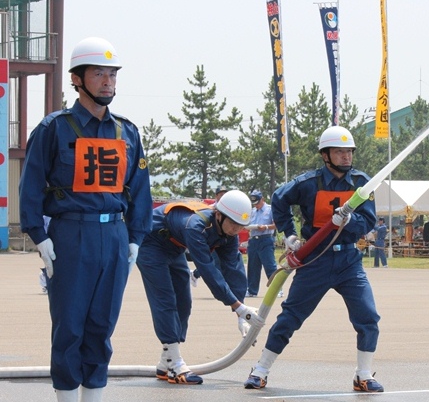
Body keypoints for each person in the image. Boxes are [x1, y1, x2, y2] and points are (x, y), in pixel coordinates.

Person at [18, 37, 153, 401]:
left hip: (114, 237)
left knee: (101, 326)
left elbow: (140, 189)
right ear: (77, 79)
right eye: (99, 74)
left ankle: (93, 396)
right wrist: (38, 235)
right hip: (70, 236)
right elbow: (30, 185)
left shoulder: (127, 132)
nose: (108, 81)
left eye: (112, 74)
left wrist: (136, 237)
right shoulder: (54, 129)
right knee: (70, 326)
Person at [243, 125, 384, 393]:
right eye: (339, 151)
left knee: (368, 317)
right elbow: (279, 199)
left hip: (349, 262)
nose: (346, 156)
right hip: (315, 260)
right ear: (325, 155)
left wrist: (349, 219)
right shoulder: (307, 183)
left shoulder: (362, 183)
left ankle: (363, 375)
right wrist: (289, 236)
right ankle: (260, 370)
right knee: (291, 316)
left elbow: (367, 221)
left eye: (349, 151)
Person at [136, 190, 264, 385]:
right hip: (151, 243)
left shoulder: (230, 234)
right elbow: (208, 271)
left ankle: (166, 362)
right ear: (219, 215)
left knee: (184, 302)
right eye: (233, 223)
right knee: (165, 299)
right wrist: (238, 307)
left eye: (241, 226)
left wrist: (240, 312)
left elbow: (233, 270)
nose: (236, 229)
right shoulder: (195, 227)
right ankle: (175, 363)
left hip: (174, 246)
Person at [190, 185, 246, 288]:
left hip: (227, 238)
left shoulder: (233, 207)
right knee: (213, 262)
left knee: (228, 263)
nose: (223, 195)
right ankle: (199, 276)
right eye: (220, 194)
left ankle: (195, 274)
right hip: (213, 239)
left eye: (225, 193)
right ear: (216, 196)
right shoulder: (212, 208)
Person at [245, 189, 278, 297]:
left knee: (270, 266)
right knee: (253, 267)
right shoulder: (252, 211)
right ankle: (252, 290)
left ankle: (277, 289)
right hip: (254, 240)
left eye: (258, 203)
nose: (256, 205)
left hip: (266, 239)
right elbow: (245, 223)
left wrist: (266, 227)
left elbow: (276, 224)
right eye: (254, 203)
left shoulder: (270, 209)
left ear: (262, 199)